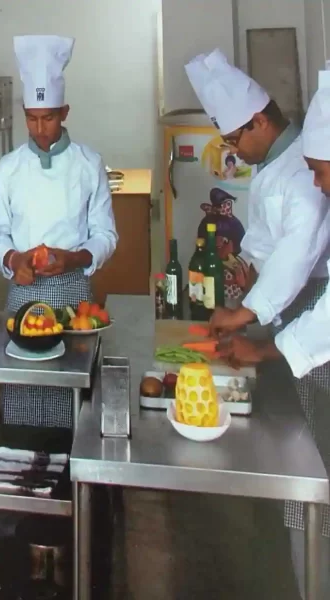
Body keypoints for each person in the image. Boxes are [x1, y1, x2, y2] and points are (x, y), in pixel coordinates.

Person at [219, 66, 330, 599]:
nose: (318, 185)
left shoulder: (302, 180)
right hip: (298, 325)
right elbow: (271, 246)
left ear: (259, 122)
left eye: (321, 173)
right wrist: (249, 287)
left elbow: (302, 254)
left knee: (311, 467)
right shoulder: (276, 169)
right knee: (302, 466)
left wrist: (256, 331)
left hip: (309, 331)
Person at [0, 35, 117, 428]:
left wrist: (73, 258)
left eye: (47, 118)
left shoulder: (88, 164)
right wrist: (14, 259)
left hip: (73, 300)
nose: (39, 128)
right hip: (23, 296)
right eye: (31, 118)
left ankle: (75, 465)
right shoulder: (9, 168)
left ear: (64, 112)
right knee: (22, 405)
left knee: (72, 402)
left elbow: (106, 235)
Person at [185, 49, 330, 338]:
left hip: (307, 301)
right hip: (270, 300)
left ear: (260, 121)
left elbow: (297, 250)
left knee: (298, 363)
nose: (234, 151)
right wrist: (248, 282)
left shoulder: (305, 168)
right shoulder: (269, 162)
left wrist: (245, 312)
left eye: (234, 140)